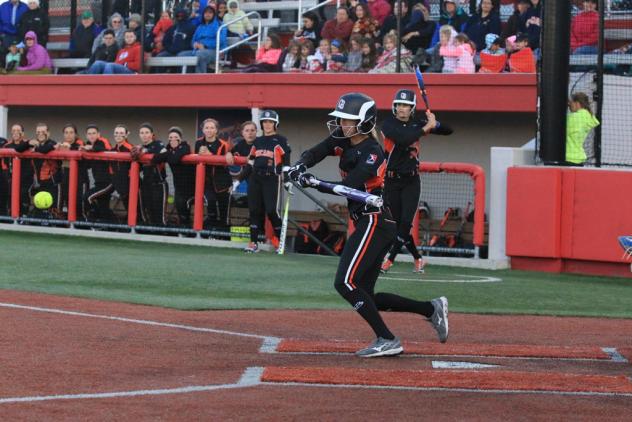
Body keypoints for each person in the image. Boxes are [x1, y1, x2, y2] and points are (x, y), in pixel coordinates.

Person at [286, 92, 449, 358]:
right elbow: (318, 150)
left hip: (375, 220)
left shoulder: (373, 153)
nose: (341, 123)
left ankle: (387, 338)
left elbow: (348, 187)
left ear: (364, 122)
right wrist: (300, 165)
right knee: (365, 295)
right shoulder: (342, 138)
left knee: (345, 283)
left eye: (348, 119)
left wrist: (314, 182)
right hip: (370, 221)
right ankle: (431, 309)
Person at [380, 89, 453, 274]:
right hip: (391, 181)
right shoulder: (388, 124)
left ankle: (389, 259)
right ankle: (418, 258)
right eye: (399, 105)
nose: (401, 109)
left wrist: (433, 122)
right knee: (398, 226)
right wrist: (426, 128)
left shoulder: (417, 124)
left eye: (406, 105)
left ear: (412, 108)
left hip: (411, 181)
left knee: (405, 223)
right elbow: (404, 139)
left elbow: (448, 130)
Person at [238, 110, 290, 253]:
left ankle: (280, 242)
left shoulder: (281, 140)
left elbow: (286, 164)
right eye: (265, 122)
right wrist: (238, 180)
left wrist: (288, 181)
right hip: (255, 178)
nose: (267, 125)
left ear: (275, 124)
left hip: (272, 178)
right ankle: (253, 243)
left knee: (272, 211)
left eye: (270, 122)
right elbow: (250, 163)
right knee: (254, 211)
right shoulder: (258, 141)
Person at [195, 118, 234, 230]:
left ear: (216, 130)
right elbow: (196, 160)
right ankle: (211, 233)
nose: (209, 130)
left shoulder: (223, 144)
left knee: (224, 212)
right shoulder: (198, 142)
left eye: (212, 127)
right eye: (206, 127)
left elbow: (222, 163)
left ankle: (224, 235)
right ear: (202, 130)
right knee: (210, 203)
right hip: (206, 182)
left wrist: (209, 155)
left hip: (222, 182)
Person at [151, 126, 195, 226]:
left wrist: (167, 154)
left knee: (184, 205)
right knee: (179, 205)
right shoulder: (168, 148)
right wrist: (169, 153)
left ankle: (190, 229)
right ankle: (184, 229)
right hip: (178, 185)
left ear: (180, 138)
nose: (173, 139)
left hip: (190, 184)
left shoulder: (185, 146)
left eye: (175, 137)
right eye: (170, 137)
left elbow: (174, 159)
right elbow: (155, 159)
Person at [133, 123, 168, 226]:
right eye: (142, 133)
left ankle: (163, 236)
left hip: (159, 184)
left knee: (160, 215)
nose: (144, 135)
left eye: (147, 132)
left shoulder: (158, 143)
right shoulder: (139, 149)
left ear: (152, 134)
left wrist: (146, 151)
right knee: (149, 212)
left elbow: (163, 153)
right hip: (147, 185)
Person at [178, 6, 227, 73]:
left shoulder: (219, 25)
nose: (208, 14)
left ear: (214, 14)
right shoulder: (200, 27)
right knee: (181, 55)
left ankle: (200, 79)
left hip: (214, 51)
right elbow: (193, 39)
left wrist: (205, 46)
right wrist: (194, 44)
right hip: (197, 50)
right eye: (206, 13)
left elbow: (221, 40)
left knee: (200, 54)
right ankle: (187, 78)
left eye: (210, 12)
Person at [81, 125, 115, 221]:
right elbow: (87, 165)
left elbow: (106, 150)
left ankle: (96, 218)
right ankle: (114, 226)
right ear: (86, 136)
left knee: (87, 197)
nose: (91, 136)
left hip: (109, 182)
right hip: (99, 182)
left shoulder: (102, 141)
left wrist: (90, 148)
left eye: (94, 133)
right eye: (89, 134)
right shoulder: (87, 145)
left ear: (98, 134)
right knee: (104, 208)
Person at [26, 122, 61, 212]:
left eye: (43, 132)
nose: (40, 134)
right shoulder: (35, 143)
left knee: (53, 207)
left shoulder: (52, 143)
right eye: (38, 132)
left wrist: (35, 149)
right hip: (39, 182)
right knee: (39, 207)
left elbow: (45, 149)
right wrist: (28, 142)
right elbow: (18, 149)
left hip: (53, 182)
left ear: (48, 133)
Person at [55, 124, 88, 219]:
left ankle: (83, 225)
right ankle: (67, 223)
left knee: (79, 203)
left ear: (75, 134)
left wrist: (70, 148)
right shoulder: (61, 145)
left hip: (80, 179)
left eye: (71, 132)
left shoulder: (81, 144)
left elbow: (84, 159)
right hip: (65, 177)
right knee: (67, 200)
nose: (68, 135)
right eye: (66, 133)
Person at [566, 92, 599, 166]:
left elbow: (559, 130)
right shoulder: (587, 116)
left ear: (577, 103)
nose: (569, 105)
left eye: (571, 103)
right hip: (579, 157)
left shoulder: (574, 117)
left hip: (568, 157)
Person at [111, 124, 134, 214]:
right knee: (128, 209)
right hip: (120, 187)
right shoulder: (113, 150)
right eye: (116, 133)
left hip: (131, 185)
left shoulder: (131, 148)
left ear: (127, 134)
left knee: (136, 210)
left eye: (121, 133)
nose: (118, 135)